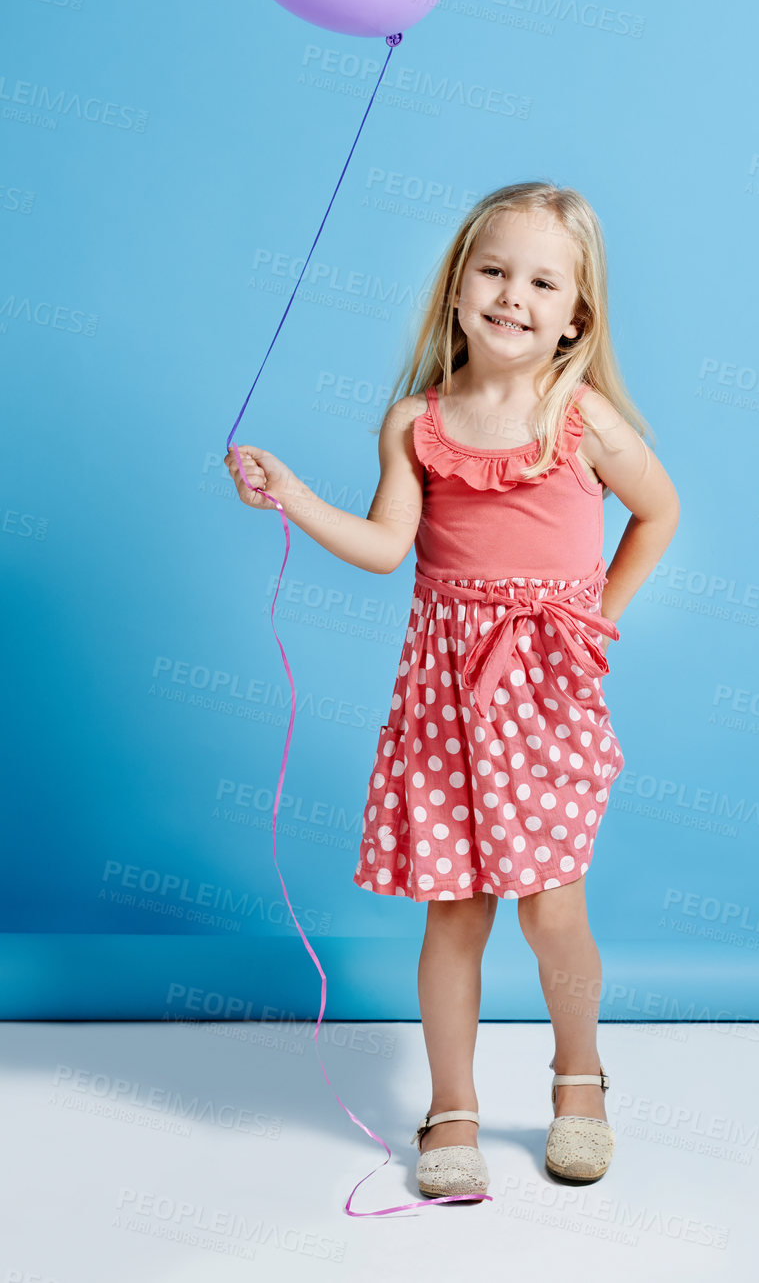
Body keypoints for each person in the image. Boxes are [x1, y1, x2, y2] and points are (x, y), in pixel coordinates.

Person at [225, 180, 680, 1202]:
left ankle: (579, 1081)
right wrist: (293, 495)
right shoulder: (417, 422)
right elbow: (389, 548)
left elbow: (659, 511)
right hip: (443, 698)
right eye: (493, 270)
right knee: (455, 911)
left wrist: (595, 614)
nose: (512, 294)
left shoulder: (582, 417)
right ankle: (453, 1106)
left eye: (541, 280)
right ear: (457, 287)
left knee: (551, 906)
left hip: (545, 697)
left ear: (576, 315)